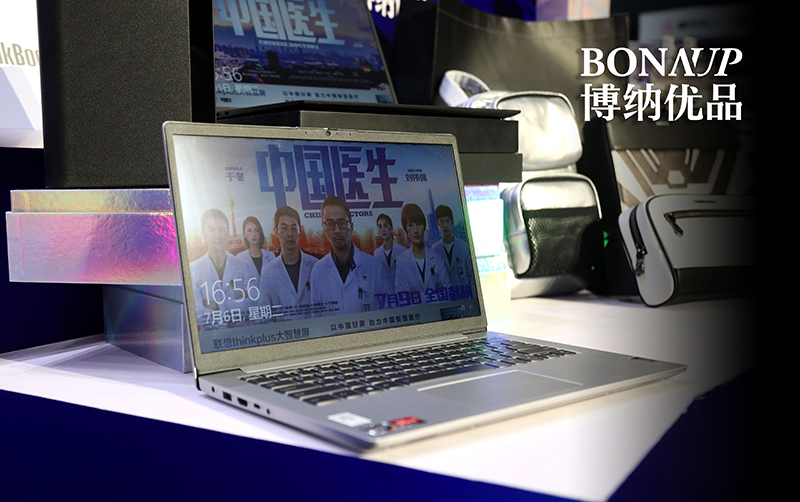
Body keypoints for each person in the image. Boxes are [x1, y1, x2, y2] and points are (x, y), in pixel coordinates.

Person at [309, 197, 389, 316]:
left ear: (351, 226)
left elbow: (389, 312)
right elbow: (317, 318)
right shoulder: (318, 271)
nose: (337, 230)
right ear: (324, 229)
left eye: (342, 223)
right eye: (330, 224)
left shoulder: (375, 267)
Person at [189, 208, 254, 328]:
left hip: (244, 335)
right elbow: (198, 314)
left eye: (221, 229)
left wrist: (217, 306)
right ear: (203, 234)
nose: (217, 235)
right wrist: (236, 304)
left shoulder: (245, 266)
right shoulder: (192, 269)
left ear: (228, 233)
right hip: (211, 337)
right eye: (211, 230)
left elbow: (253, 305)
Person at [260, 206, 318, 321]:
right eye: (284, 228)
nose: (290, 234)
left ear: (300, 232)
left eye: (294, 228)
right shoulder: (267, 271)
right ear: (276, 232)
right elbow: (264, 315)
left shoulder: (315, 265)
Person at [394, 203, 450, 304]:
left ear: (424, 227)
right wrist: (432, 297)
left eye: (419, 224)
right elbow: (401, 298)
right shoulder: (401, 260)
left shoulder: (437, 258)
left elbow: (448, 292)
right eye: (411, 225)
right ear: (406, 230)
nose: (416, 230)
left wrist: (417, 298)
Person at [432, 204, 474, 289]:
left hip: (463, 293)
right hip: (446, 294)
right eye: (442, 221)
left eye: (447, 221)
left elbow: (471, 276)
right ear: (438, 224)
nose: (445, 225)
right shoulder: (435, 249)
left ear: (452, 222)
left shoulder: (464, 247)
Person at [236, 216, 276, 281]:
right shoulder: (240, 258)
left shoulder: (270, 256)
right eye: (249, 231)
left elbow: (275, 280)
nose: (253, 234)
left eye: (256, 230)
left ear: (260, 233)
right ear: (244, 234)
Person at [372, 213, 402, 292]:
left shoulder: (401, 250)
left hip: (401, 292)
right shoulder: (377, 253)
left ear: (391, 228)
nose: (383, 229)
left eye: (385, 226)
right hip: (385, 294)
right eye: (380, 227)